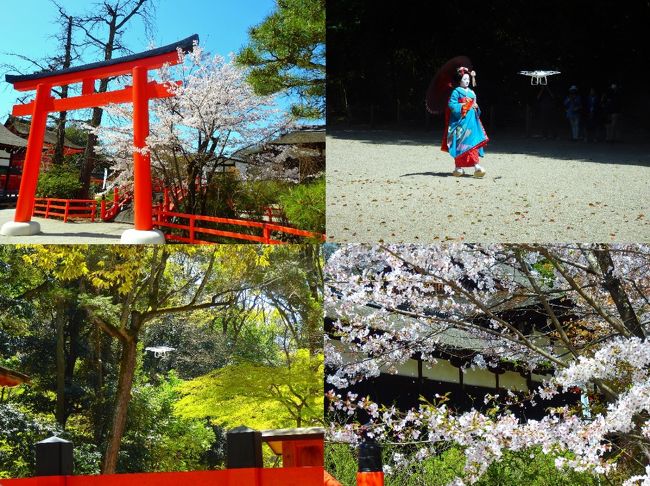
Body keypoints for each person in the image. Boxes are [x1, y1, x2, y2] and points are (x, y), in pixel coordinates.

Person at [441, 67, 489, 177]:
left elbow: (476, 107)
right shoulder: (456, 92)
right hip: (461, 122)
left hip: (472, 123)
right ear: (459, 80)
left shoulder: (472, 93)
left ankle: (477, 166)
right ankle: (458, 167)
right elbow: (452, 105)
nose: (467, 81)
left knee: (473, 143)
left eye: (468, 79)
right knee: (460, 144)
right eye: (464, 79)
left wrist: (476, 107)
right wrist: (465, 105)